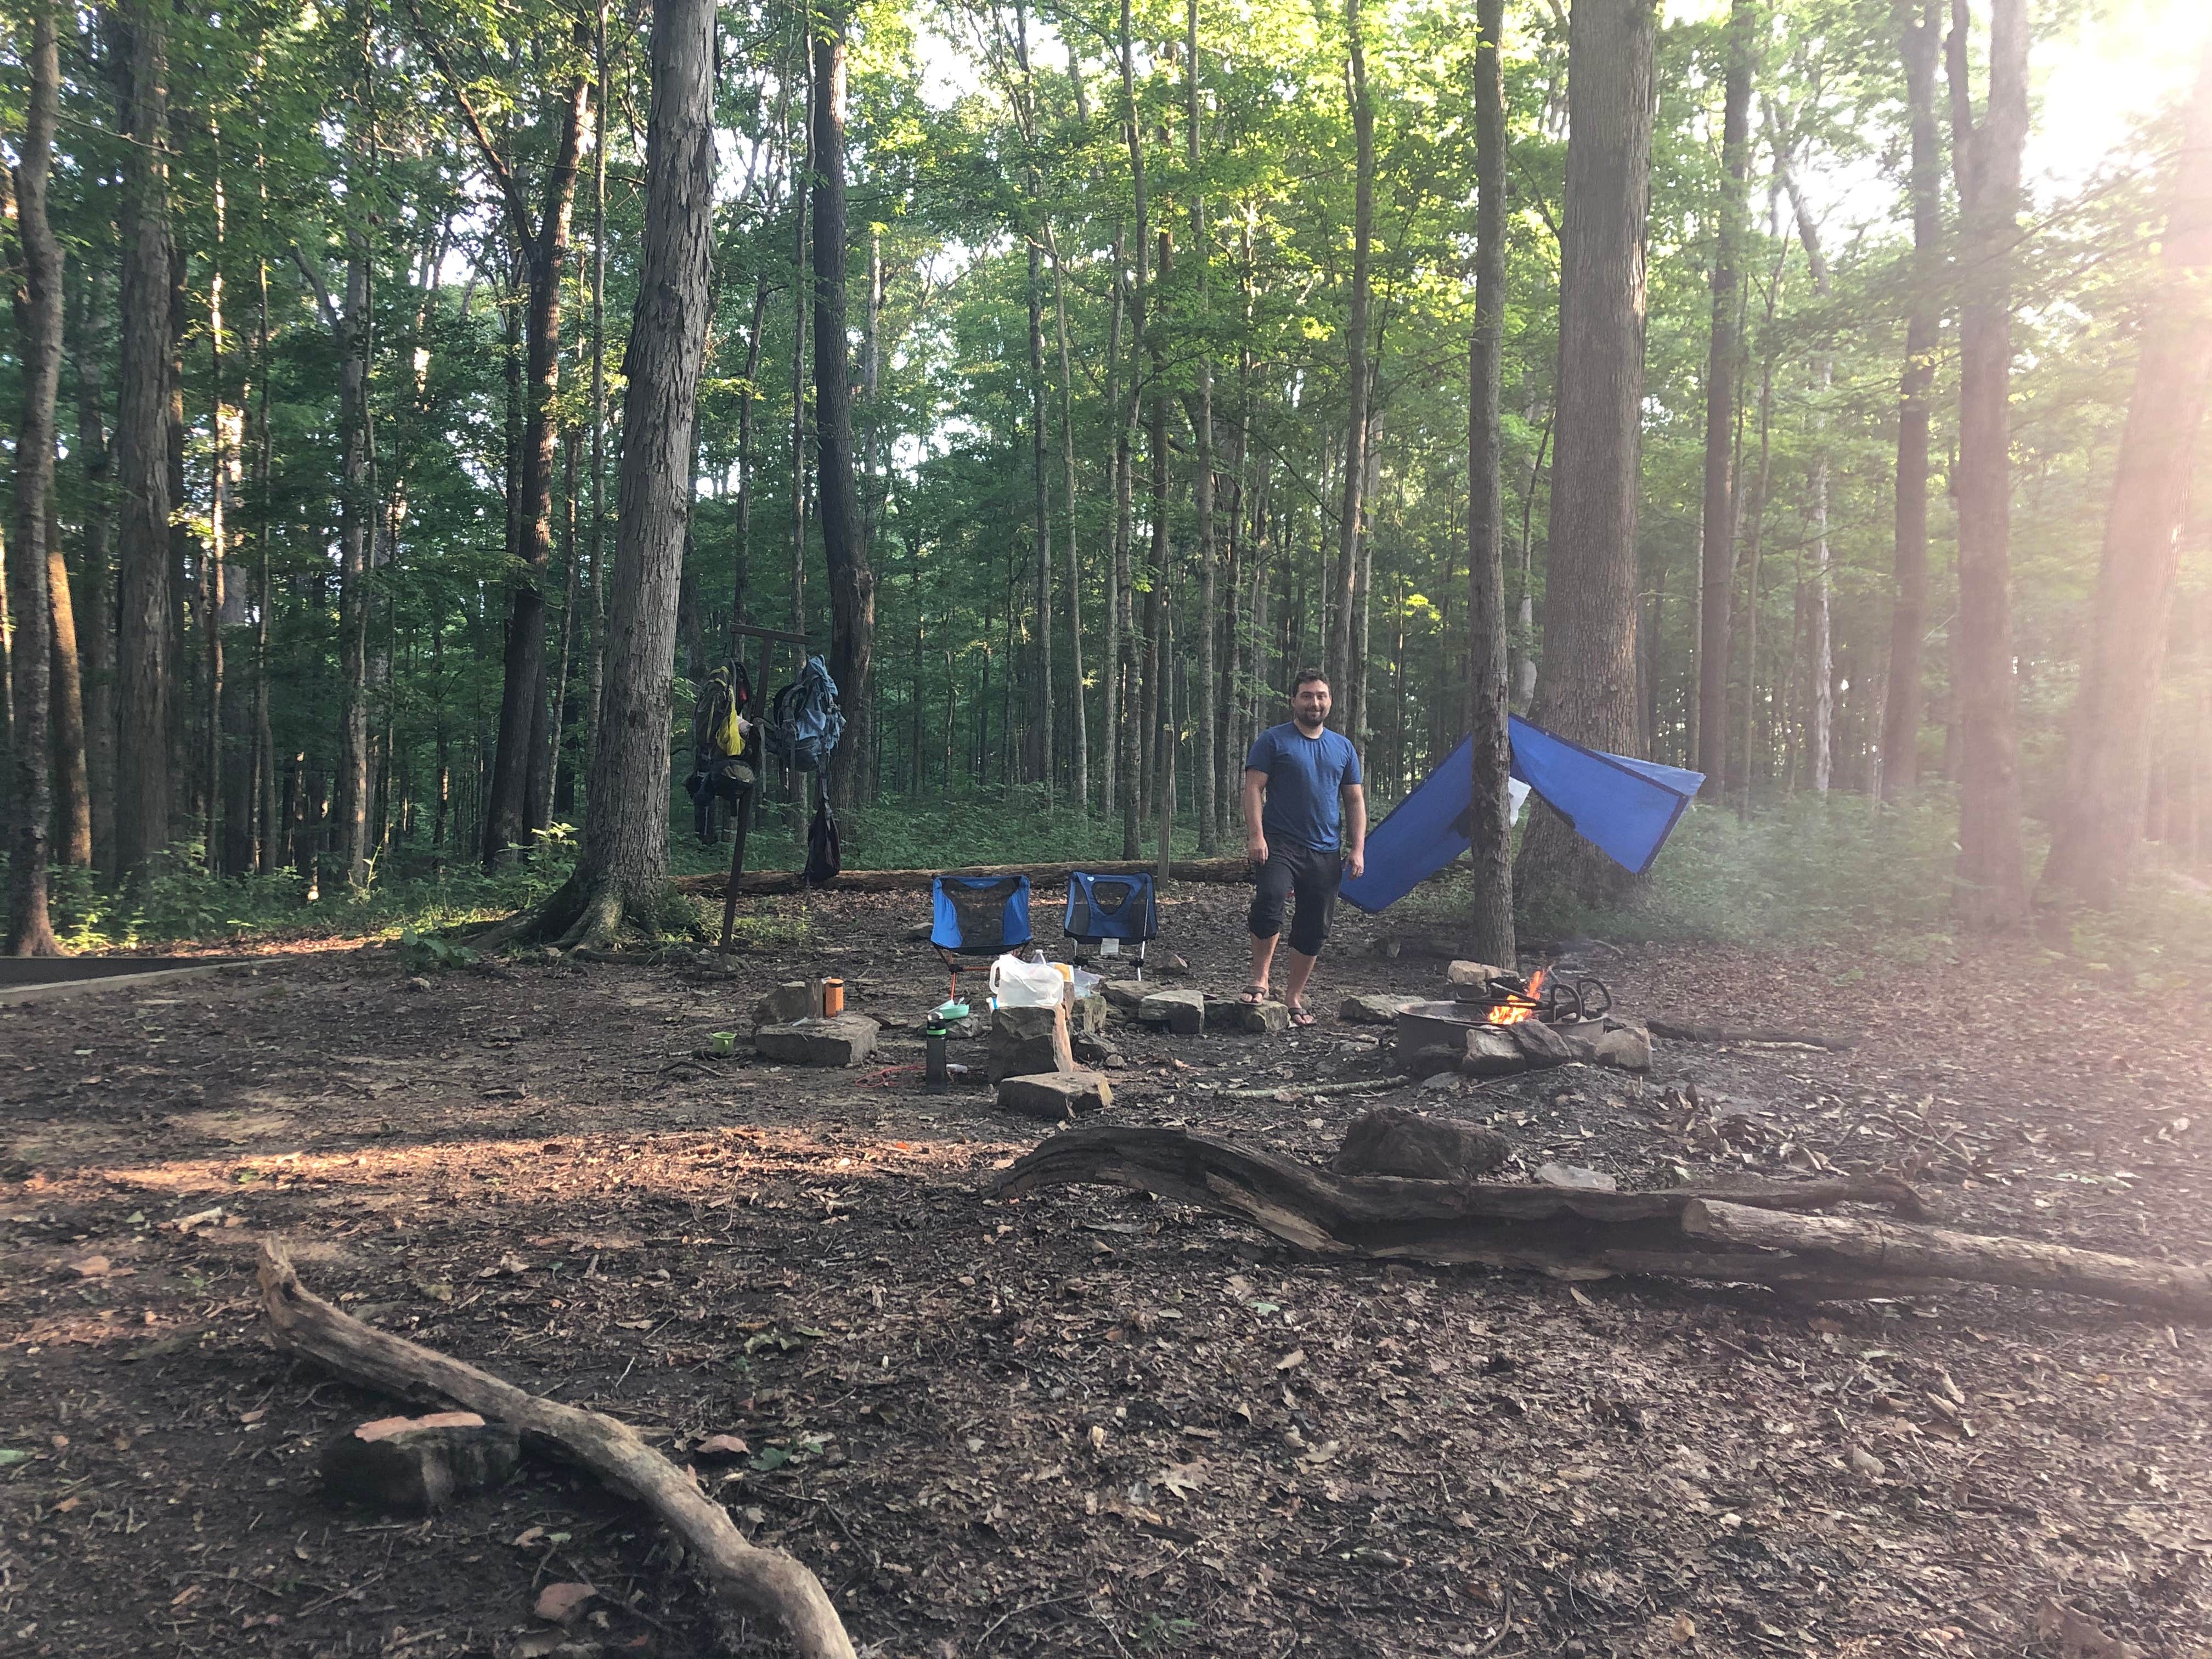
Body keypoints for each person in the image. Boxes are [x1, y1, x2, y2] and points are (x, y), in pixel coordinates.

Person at [1240, 668, 1365, 1027]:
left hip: (1325, 849)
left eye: (1321, 696)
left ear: (1329, 701)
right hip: (1279, 843)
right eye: (1308, 696)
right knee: (1269, 901)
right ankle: (1260, 978)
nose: (1315, 702)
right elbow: (1253, 789)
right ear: (1294, 700)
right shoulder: (1273, 741)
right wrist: (1256, 835)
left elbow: (1355, 801)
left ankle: (1294, 994)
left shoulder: (1343, 748)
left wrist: (1358, 849)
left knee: (1315, 925)